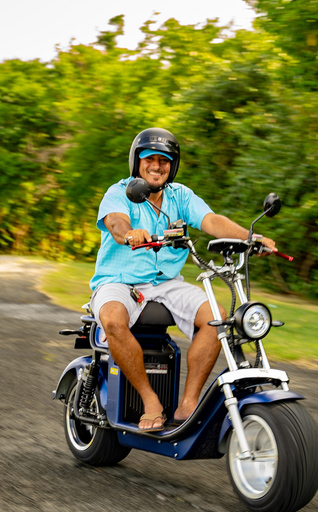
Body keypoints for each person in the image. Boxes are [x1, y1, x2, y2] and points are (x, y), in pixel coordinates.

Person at [90, 127, 277, 432]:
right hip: (119, 280)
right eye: (149, 158)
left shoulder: (181, 196)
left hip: (166, 282)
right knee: (112, 319)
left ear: (172, 165)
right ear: (136, 161)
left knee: (216, 315)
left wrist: (251, 238)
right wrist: (129, 234)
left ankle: (188, 403)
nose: (156, 165)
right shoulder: (120, 191)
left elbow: (212, 221)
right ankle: (150, 399)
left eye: (164, 160)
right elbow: (116, 221)